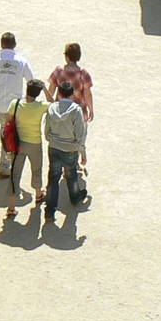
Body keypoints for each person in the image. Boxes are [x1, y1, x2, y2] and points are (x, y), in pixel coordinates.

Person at [0, 32, 35, 179]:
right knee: (10, 132)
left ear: (1, 44)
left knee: (4, 131)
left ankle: (5, 163)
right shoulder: (21, 61)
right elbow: (31, 80)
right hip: (14, 105)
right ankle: (6, 164)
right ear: (14, 44)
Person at [43, 81, 89, 224]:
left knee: (53, 178)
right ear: (72, 94)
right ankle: (75, 198)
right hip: (70, 148)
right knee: (71, 176)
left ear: (59, 93)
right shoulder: (76, 110)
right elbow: (80, 133)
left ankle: (50, 210)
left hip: (54, 147)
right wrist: (82, 151)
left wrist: (52, 140)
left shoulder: (51, 108)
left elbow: (46, 130)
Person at [4, 79, 49, 218]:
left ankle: (11, 207)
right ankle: (38, 194)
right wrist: (46, 89)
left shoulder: (15, 103)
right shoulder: (42, 106)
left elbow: (7, 121)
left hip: (18, 144)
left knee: (15, 174)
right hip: (35, 143)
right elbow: (55, 104)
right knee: (36, 170)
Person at [50, 42, 95, 136]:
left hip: (61, 112)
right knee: (79, 141)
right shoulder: (83, 73)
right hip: (79, 113)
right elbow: (87, 94)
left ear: (67, 56)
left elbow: (51, 91)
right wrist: (91, 109)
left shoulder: (58, 71)